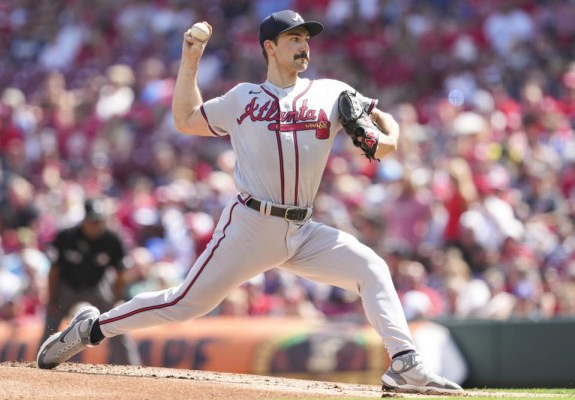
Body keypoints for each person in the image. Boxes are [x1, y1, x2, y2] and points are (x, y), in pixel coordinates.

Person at [37, 10, 462, 394]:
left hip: (303, 229)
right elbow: (186, 120)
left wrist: (386, 136)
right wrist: (191, 57)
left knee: (371, 268)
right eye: (293, 38)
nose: (303, 45)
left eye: (306, 38)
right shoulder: (242, 98)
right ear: (270, 48)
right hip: (250, 224)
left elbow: (382, 131)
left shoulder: (333, 92)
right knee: (184, 303)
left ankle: (404, 364)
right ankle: (91, 329)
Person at [39, 198, 140, 366]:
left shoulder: (112, 239)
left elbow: (122, 272)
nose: (97, 225)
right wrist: (52, 298)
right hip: (67, 285)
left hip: (97, 286)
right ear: (84, 220)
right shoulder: (67, 236)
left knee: (117, 322)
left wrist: (116, 298)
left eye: (100, 221)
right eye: (93, 221)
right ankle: (39, 362)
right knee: (50, 322)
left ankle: (131, 366)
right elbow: (54, 271)